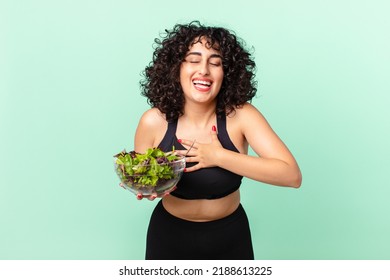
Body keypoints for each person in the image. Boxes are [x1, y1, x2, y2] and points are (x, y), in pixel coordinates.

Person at [133, 21, 302, 260]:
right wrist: (147, 188)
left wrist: (218, 156)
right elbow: (144, 179)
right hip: (169, 237)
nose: (204, 70)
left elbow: (291, 176)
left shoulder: (242, 116)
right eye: (193, 60)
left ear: (227, 73)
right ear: (176, 68)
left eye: (215, 62)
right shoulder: (153, 121)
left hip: (230, 237)